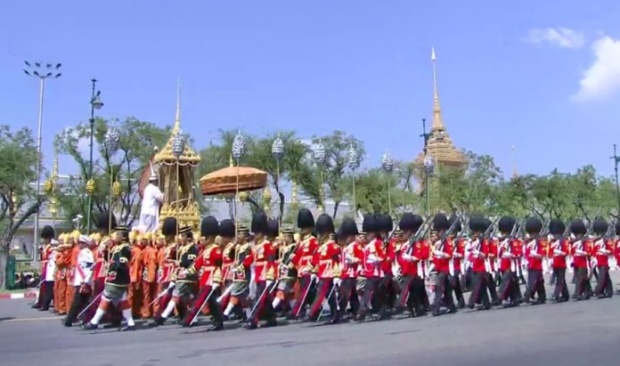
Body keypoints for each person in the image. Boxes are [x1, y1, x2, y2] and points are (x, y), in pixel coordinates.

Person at [83, 226, 136, 331]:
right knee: (124, 301)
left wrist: (112, 263)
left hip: (116, 278)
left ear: (122, 235)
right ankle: (131, 323)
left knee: (105, 298)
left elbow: (122, 263)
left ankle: (94, 321)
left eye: (116, 234)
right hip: (116, 277)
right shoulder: (117, 247)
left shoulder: (125, 248)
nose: (113, 235)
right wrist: (106, 250)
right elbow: (109, 258)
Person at [64, 235, 94, 327]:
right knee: (82, 302)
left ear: (85, 244)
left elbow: (88, 267)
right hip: (81, 280)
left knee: (80, 302)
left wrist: (86, 280)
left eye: (81, 243)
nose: (79, 244)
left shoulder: (87, 253)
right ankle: (78, 319)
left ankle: (71, 319)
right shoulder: (82, 252)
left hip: (83, 281)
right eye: (79, 242)